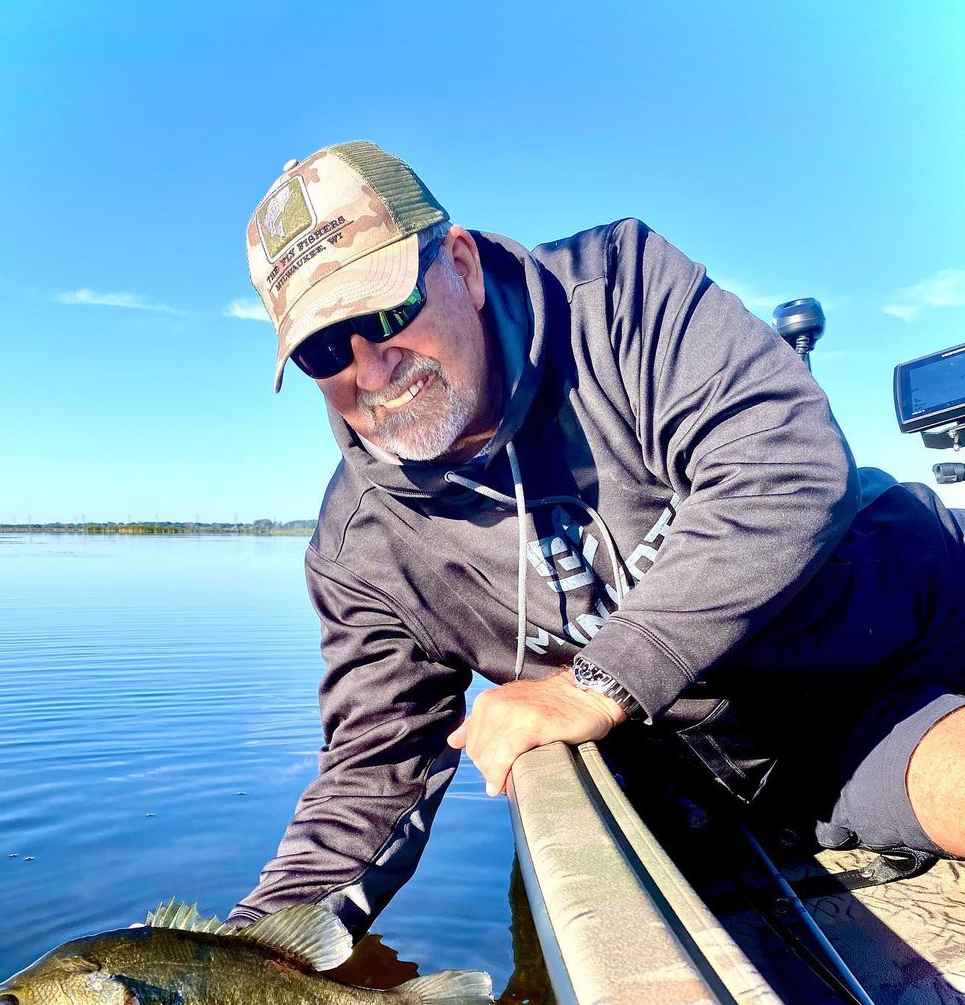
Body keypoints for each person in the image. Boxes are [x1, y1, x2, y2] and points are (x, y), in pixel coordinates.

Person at [226, 140, 965, 947]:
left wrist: (598, 679)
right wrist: (246, 953)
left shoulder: (619, 294)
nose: (371, 369)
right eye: (325, 350)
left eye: (384, 312)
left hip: (891, 640)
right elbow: (374, 767)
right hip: (763, 761)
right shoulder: (361, 546)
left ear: (462, 265)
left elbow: (781, 461)